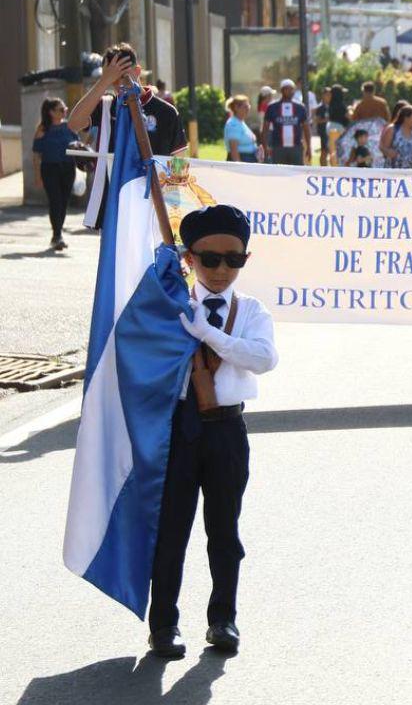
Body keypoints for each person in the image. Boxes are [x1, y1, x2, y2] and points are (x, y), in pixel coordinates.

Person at [151, 204, 278, 658]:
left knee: (224, 531)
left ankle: (223, 619)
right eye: (210, 259)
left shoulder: (252, 311)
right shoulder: (171, 304)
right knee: (171, 531)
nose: (222, 270)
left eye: (234, 259)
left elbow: (263, 358)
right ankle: (163, 624)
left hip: (227, 429)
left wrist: (210, 334)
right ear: (188, 258)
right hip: (178, 430)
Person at [68, 43, 187, 229]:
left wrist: (174, 207)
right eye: (112, 78)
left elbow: (179, 159)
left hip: (153, 204)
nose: (119, 83)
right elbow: (74, 123)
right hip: (116, 200)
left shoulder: (166, 112)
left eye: (123, 75)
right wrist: (103, 82)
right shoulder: (106, 107)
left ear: (138, 71)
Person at [31, 97, 80, 251]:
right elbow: (36, 155)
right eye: (61, 109)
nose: (65, 111)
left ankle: (57, 234)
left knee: (64, 203)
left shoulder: (69, 127)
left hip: (68, 169)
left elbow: (78, 146)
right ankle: (57, 235)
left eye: (65, 108)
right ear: (51, 112)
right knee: (55, 201)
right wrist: (38, 176)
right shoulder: (42, 129)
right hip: (49, 169)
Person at [262, 80, 312, 166]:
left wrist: (309, 147)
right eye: (287, 89)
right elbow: (265, 129)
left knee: (297, 174)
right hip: (278, 147)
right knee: (279, 173)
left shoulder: (300, 107)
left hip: (296, 147)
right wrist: (265, 146)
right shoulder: (272, 107)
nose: (290, 92)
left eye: (292, 89)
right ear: (282, 90)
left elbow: (306, 128)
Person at [382, 105, 412, 169]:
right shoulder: (392, 129)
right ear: (406, 118)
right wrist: (388, 152)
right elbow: (383, 147)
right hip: (394, 171)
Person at [223, 96, 260, 163]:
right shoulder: (233, 124)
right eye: (245, 107)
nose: (248, 109)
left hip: (248, 159)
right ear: (236, 108)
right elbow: (233, 148)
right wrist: (239, 166)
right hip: (242, 159)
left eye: (248, 106)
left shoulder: (240, 122)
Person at [313, 87, 332, 166]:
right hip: (323, 132)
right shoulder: (320, 108)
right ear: (323, 95)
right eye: (327, 94)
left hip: (332, 132)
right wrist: (326, 120)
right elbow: (316, 120)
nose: (329, 96)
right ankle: (323, 167)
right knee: (324, 151)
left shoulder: (332, 107)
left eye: (330, 94)